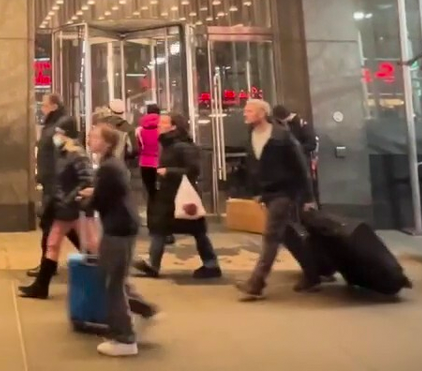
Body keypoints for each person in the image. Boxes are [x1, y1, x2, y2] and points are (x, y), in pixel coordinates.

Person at [236, 99, 320, 301]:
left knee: (271, 235)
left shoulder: (282, 136)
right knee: (288, 235)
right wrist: (256, 191)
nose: (244, 114)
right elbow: (254, 167)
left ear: (262, 113)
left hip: (285, 192)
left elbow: (301, 167)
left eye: (249, 110)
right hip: (268, 193)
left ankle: (256, 284)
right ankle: (313, 275)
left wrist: (309, 197)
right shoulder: (251, 136)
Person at [84, 123, 157, 357]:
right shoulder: (110, 166)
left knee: (113, 284)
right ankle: (141, 314)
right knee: (116, 278)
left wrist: (83, 202)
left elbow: (99, 201)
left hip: (119, 228)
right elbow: (105, 195)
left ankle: (125, 338)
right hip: (121, 225)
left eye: (95, 136)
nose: (90, 139)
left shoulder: (108, 168)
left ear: (107, 143)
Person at [134, 112, 221, 279]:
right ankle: (154, 264)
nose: (158, 126)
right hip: (168, 196)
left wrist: (168, 172)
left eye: (163, 123)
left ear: (173, 126)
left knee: (195, 231)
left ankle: (211, 264)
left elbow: (193, 170)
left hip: (181, 196)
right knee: (161, 229)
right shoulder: (168, 145)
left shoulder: (182, 146)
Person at [19, 120, 95, 299]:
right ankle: (41, 286)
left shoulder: (76, 154)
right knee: (56, 244)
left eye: (59, 133)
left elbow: (87, 180)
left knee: (84, 246)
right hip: (63, 206)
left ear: (67, 134)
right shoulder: (63, 153)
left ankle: (108, 280)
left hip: (70, 207)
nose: (56, 137)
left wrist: (70, 198)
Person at [28, 93, 81, 277]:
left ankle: (47, 266)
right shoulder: (51, 124)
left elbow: (63, 151)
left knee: (54, 223)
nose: (42, 108)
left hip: (57, 182)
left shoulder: (63, 123)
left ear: (54, 106)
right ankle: (48, 264)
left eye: (44, 105)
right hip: (51, 180)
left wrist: (57, 177)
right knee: (57, 224)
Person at [135, 104, 162, 204]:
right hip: (160, 162)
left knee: (150, 191)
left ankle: (151, 213)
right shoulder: (162, 127)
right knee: (162, 192)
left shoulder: (139, 129)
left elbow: (138, 146)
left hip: (145, 163)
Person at [101, 99, 136, 164]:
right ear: (123, 112)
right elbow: (134, 150)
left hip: (102, 163)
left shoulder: (101, 125)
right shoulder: (128, 128)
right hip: (122, 164)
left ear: (110, 111)